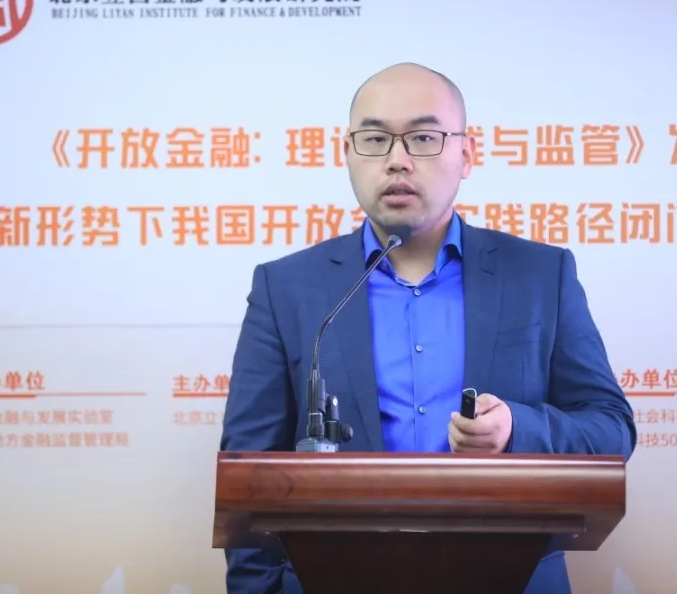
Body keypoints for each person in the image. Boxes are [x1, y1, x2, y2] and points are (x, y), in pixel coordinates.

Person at [219, 62, 636, 594]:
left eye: (423, 138)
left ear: (467, 155)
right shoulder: (287, 289)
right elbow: (246, 473)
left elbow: (611, 429)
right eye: (375, 139)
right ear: (347, 154)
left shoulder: (540, 275)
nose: (397, 160)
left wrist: (516, 430)